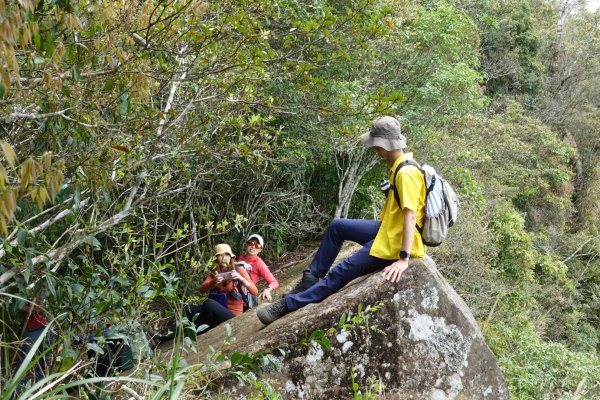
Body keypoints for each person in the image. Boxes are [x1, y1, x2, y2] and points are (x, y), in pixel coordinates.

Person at [257, 116, 426, 325]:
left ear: (383, 145)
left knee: (342, 271)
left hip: (395, 243)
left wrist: (403, 259)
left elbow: (410, 216)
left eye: (376, 145)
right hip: (388, 230)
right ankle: (309, 280)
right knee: (338, 226)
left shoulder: (406, 173)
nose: (374, 149)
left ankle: (289, 304)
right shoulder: (399, 167)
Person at [150, 244, 258, 345]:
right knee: (188, 308)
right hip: (216, 312)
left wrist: (242, 279)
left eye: (226, 254)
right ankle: (162, 337)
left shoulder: (239, 269)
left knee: (208, 303)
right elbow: (202, 289)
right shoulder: (215, 272)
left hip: (232, 315)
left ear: (231, 256)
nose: (224, 258)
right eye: (220, 255)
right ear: (216, 258)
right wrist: (214, 282)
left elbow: (255, 291)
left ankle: (200, 329)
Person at [237, 234, 279, 302]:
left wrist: (267, 289)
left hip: (245, 297)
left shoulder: (259, 263)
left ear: (260, 249)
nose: (253, 246)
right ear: (246, 245)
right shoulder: (241, 258)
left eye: (257, 245)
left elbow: (274, 282)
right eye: (251, 243)